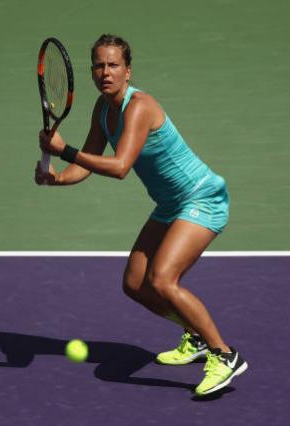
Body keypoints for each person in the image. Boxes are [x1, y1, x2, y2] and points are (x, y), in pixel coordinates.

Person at [35, 34, 247, 396]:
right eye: (99, 65)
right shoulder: (102, 111)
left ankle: (224, 354)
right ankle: (195, 337)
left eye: (113, 65)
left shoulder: (140, 107)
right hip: (170, 205)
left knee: (163, 280)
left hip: (202, 197)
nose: (106, 72)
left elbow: (119, 167)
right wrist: (55, 178)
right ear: (91, 72)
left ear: (127, 71)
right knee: (135, 285)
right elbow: (86, 164)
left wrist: (64, 150)